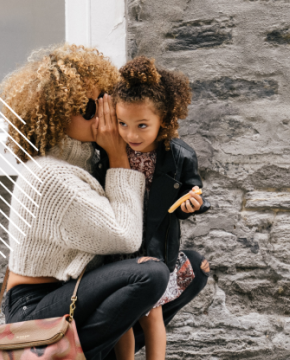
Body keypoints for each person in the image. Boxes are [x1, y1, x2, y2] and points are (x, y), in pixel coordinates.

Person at [0, 44, 170, 360]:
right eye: (89, 108)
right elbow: (125, 236)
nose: (103, 114)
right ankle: (52, 352)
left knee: (190, 267)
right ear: (57, 113)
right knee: (151, 274)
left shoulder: (84, 163)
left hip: (73, 294)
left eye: (106, 101)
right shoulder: (49, 176)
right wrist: (119, 155)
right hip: (34, 307)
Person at [91, 56, 212, 360]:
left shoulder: (179, 156)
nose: (132, 135)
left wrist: (191, 204)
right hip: (118, 245)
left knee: (152, 314)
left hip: (156, 247)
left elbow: (191, 190)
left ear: (164, 120)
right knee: (124, 315)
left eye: (142, 125)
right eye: (123, 124)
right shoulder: (108, 153)